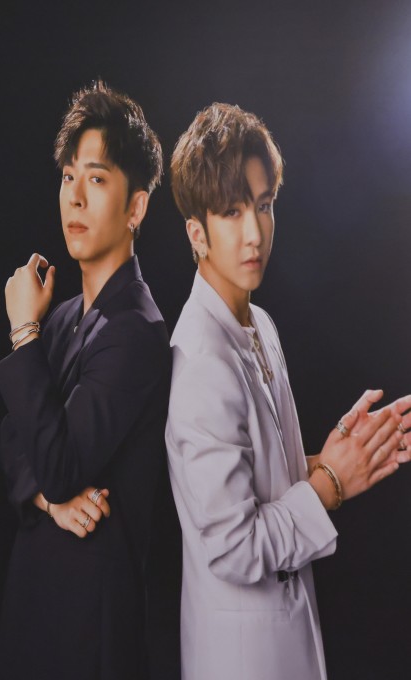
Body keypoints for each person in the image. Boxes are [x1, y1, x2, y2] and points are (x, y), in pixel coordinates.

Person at [165, 102, 410, 680]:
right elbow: (233, 547)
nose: (254, 233)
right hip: (239, 658)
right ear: (197, 233)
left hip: (282, 634)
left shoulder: (260, 324)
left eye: (264, 205)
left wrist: (339, 457)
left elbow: (261, 480)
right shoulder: (201, 360)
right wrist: (331, 484)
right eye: (231, 212)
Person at [0, 81, 178, 678]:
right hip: (36, 594)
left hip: (89, 619)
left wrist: (23, 330)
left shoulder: (137, 329)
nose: (74, 196)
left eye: (95, 180)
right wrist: (49, 500)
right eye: (68, 177)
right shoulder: (65, 315)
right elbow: (11, 440)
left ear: (136, 208)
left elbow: (61, 463)